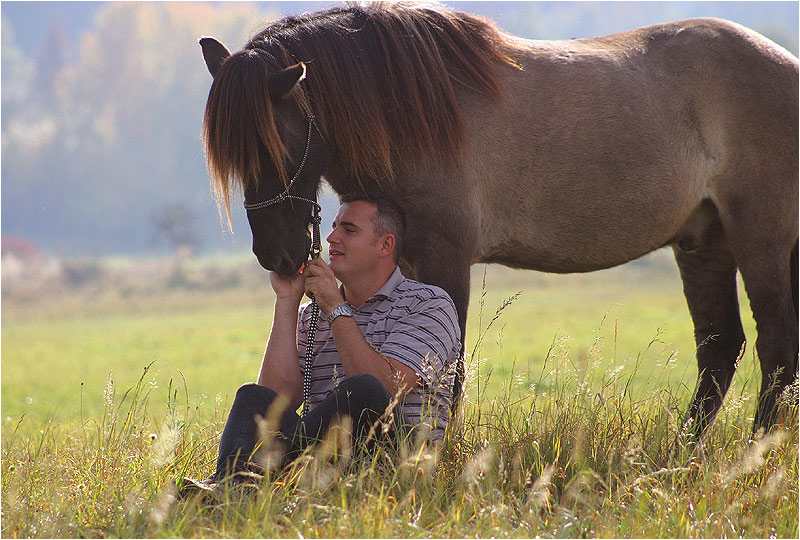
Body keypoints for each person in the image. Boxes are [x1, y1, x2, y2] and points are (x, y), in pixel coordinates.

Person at [180, 192, 461, 494]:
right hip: (320, 465)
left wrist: (335, 308)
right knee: (254, 397)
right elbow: (278, 400)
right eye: (334, 226)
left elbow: (388, 387)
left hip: (396, 469)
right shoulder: (313, 314)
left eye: (348, 230)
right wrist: (287, 301)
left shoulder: (428, 304)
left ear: (385, 245)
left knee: (363, 389)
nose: (331, 238)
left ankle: (247, 481)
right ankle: (235, 490)